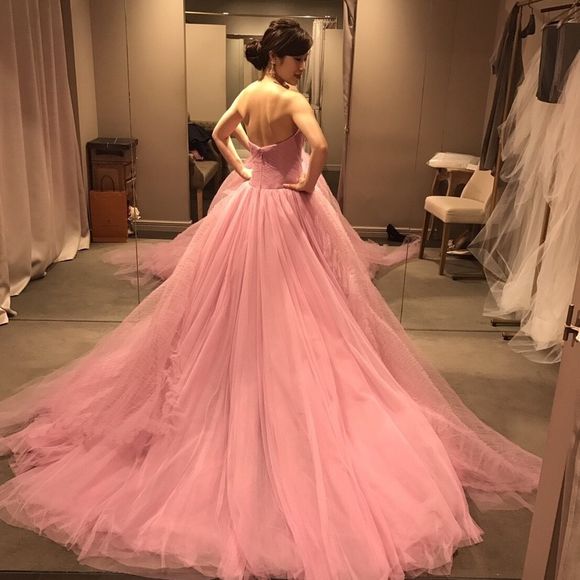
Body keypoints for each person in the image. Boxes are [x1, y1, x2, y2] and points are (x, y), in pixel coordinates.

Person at [0, 18, 541, 580]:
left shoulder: (249, 94)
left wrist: (242, 167)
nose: (302, 66)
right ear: (278, 57)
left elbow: (220, 134)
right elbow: (320, 146)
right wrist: (304, 183)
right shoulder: (291, 99)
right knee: (299, 304)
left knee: (230, 302)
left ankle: (239, 374)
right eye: (298, 57)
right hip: (283, 209)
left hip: (246, 205)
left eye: (302, 58)